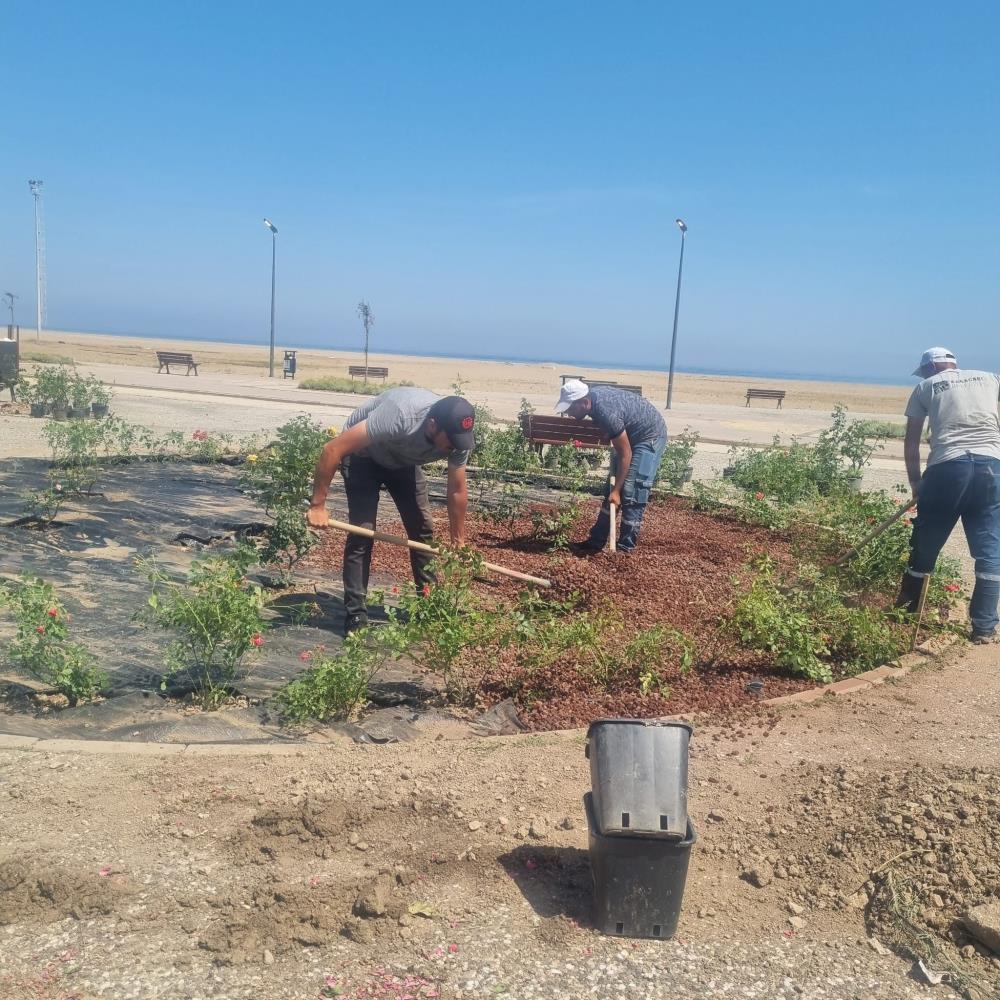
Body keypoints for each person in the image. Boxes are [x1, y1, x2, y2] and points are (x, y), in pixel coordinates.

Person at [306, 388, 475, 635]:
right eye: (450, 441)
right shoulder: (401, 415)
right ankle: (356, 614)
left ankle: (429, 606)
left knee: (423, 530)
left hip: (403, 462)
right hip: (362, 456)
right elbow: (332, 449)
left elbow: (457, 490)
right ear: (431, 425)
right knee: (363, 532)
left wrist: (458, 540)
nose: (455, 447)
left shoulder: (458, 435)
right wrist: (318, 505)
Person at [895, 347, 1000, 644]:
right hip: (991, 469)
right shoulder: (990, 378)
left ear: (931, 367)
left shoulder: (924, 386)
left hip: (947, 470)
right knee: (990, 553)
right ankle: (983, 628)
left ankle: (905, 614)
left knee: (925, 548)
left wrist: (916, 482)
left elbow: (912, 441)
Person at [554, 378, 668, 553]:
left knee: (631, 490)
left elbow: (626, 454)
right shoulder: (593, 401)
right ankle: (595, 543)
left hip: (649, 436)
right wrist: (614, 491)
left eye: (570, 408)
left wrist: (617, 491)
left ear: (584, 402)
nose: (568, 413)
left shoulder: (606, 412)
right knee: (612, 492)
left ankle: (625, 549)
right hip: (631, 435)